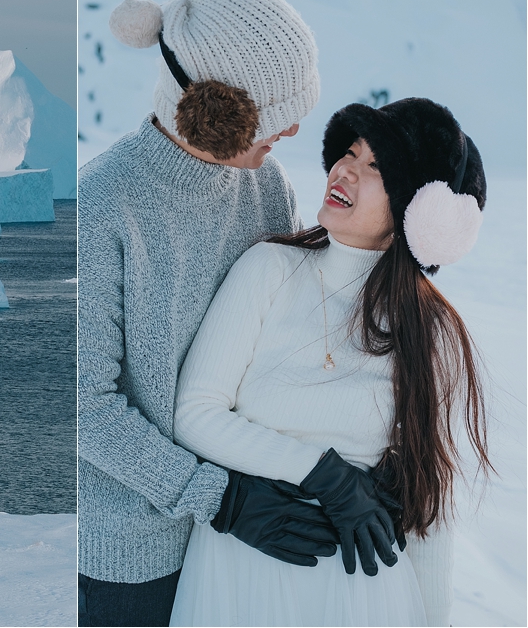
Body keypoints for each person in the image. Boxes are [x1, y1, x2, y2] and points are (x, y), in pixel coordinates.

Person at [78, 0, 343, 627]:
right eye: (274, 114)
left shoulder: (267, 187)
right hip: (131, 559)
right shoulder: (103, 206)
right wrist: (217, 497)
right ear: (212, 112)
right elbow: (83, 405)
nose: (296, 128)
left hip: (236, 539)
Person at [169, 97, 492, 627]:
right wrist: (325, 475)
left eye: (376, 167)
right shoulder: (269, 268)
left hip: (360, 597)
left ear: (416, 212)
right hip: (238, 582)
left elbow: (429, 514)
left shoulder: (429, 333)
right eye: (349, 151)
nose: (345, 170)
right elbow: (195, 414)